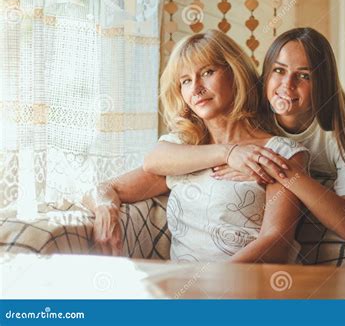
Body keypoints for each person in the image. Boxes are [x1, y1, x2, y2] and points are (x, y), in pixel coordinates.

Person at [147, 28, 345, 242]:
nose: (287, 85)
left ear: (323, 82)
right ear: (265, 74)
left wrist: (271, 169)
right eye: (279, 70)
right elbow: (159, 162)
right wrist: (232, 154)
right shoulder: (252, 112)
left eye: (303, 76)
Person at [89, 29, 309, 263]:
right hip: (181, 290)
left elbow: (276, 241)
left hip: (247, 290)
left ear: (235, 73)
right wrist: (105, 208)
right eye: (185, 81)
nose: (196, 89)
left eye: (207, 72)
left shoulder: (279, 152)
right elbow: (108, 187)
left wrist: (210, 282)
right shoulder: (184, 154)